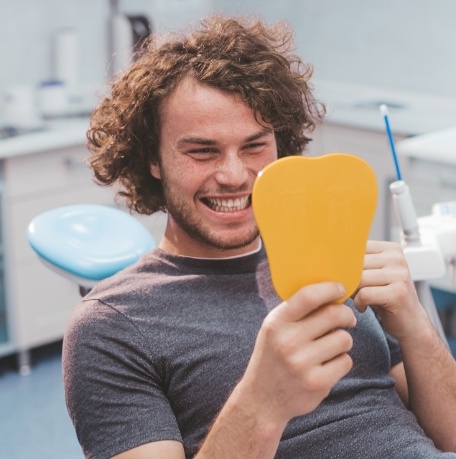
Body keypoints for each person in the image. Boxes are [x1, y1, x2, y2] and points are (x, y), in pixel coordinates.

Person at [62, 14, 456, 459]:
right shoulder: (112, 325)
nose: (233, 175)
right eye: (202, 151)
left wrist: (415, 324)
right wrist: (262, 401)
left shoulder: (329, 259)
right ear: (153, 159)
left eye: (254, 146)